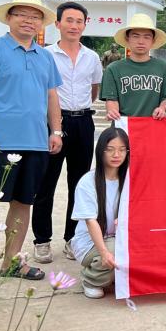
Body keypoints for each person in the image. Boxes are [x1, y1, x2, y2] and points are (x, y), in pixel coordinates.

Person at [0, 0, 63, 282]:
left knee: (23, 204)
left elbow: (52, 95)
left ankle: (11, 262)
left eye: (35, 17)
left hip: (36, 142)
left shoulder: (45, 57)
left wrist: (56, 130)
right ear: (9, 18)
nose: (28, 21)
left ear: (41, 23)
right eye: (22, 14)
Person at [31, 1, 104, 264]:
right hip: (52, 123)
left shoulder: (92, 57)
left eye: (79, 21)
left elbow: (94, 89)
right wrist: (55, 122)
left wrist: (79, 110)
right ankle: (42, 240)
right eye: (69, 20)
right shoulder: (44, 55)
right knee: (46, 182)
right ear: (57, 24)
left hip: (83, 122)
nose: (74, 26)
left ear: (85, 24)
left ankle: (72, 238)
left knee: (80, 184)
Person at [70, 126, 129, 299]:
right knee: (118, 252)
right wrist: (104, 253)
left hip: (117, 236)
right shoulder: (88, 182)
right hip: (90, 242)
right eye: (110, 150)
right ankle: (91, 279)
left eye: (122, 150)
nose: (116, 155)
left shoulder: (128, 179)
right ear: (100, 151)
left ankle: (114, 275)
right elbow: (91, 221)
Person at [100, 14, 166, 120]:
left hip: (154, 124)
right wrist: (112, 112)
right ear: (127, 38)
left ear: (153, 40)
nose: (141, 41)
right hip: (124, 125)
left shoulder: (164, 68)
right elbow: (111, 99)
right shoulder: (113, 69)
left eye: (147, 37)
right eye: (135, 36)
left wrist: (162, 108)